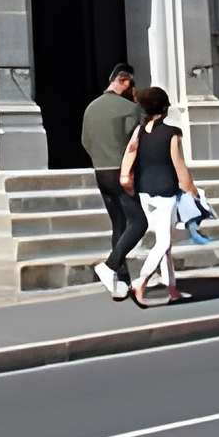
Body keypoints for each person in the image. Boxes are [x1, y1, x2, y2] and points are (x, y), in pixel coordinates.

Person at [118, 85, 200, 306]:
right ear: (164, 108)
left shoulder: (139, 131)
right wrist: (192, 190)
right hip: (165, 193)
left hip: (145, 192)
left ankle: (172, 288)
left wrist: (126, 181)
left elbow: (130, 156)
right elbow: (180, 166)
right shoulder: (172, 133)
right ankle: (141, 281)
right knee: (163, 242)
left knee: (165, 243)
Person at [82, 64, 143, 301]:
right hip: (121, 170)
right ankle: (109, 266)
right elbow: (135, 141)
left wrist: (100, 157)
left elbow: (85, 140)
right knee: (138, 222)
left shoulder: (90, 108)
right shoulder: (130, 108)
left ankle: (122, 279)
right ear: (125, 81)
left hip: (101, 170)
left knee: (118, 223)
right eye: (132, 84)